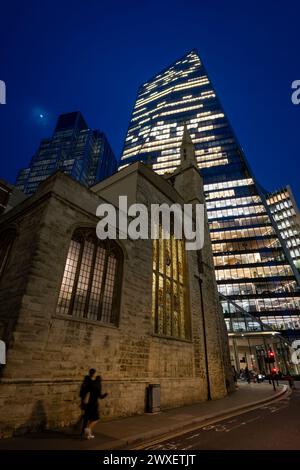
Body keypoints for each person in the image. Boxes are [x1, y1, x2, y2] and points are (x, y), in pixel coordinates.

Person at [81, 371, 108, 439]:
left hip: (88, 403)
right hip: (94, 404)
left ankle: (88, 434)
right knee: (96, 419)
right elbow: (100, 397)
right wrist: (106, 393)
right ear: (100, 380)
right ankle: (87, 428)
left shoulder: (91, 383)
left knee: (90, 419)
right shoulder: (98, 385)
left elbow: (86, 392)